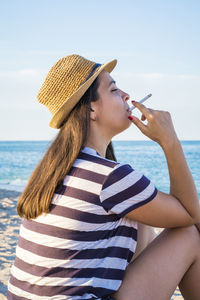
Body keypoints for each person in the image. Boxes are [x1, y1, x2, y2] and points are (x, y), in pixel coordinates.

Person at [7, 54, 200, 300]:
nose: (126, 96)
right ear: (91, 108)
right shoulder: (109, 176)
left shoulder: (58, 169)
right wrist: (170, 141)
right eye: (114, 89)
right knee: (188, 234)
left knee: (140, 219)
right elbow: (190, 213)